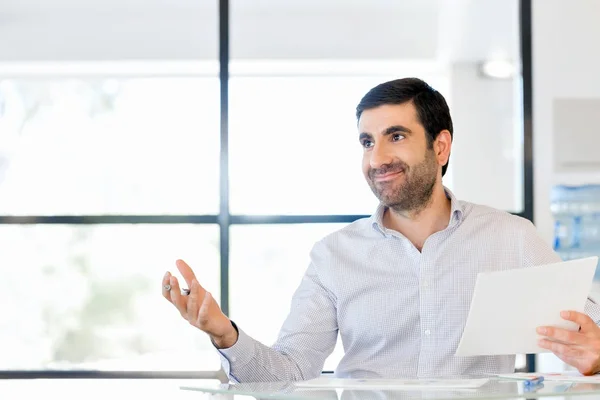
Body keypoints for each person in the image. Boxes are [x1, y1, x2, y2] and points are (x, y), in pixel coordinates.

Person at [162, 78, 600, 382]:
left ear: (440, 146)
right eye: (367, 142)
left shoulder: (511, 238)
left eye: (396, 136)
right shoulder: (334, 255)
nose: (377, 158)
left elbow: (590, 331)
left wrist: (594, 354)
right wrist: (225, 334)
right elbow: (290, 373)